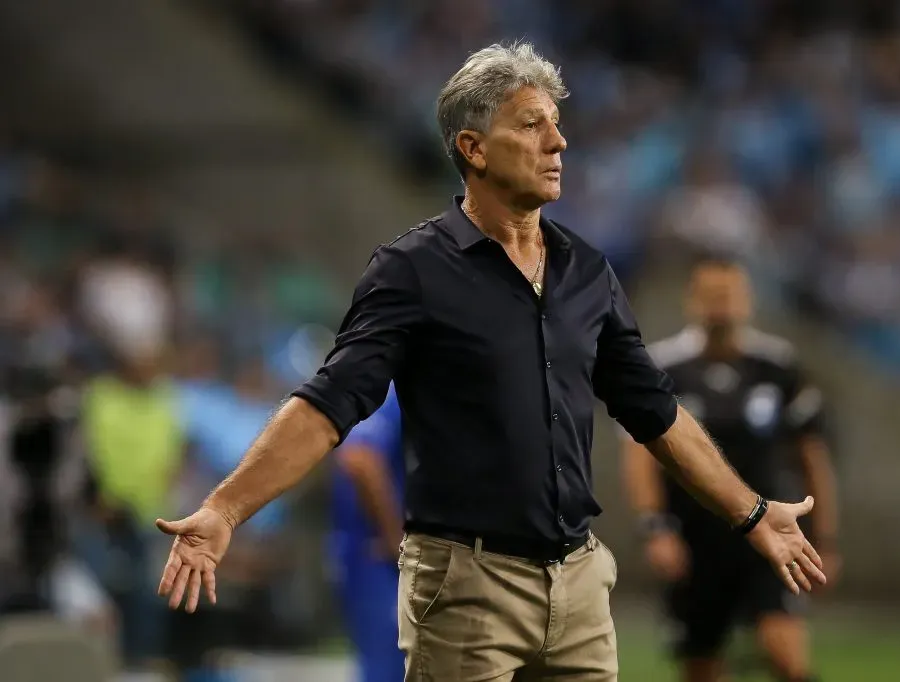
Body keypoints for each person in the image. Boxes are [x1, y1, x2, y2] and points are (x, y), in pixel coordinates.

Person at [155, 42, 826, 682]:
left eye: (556, 124)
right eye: (532, 125)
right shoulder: (412, 271)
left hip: (580, 580)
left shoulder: (587, 273)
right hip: (466, 584)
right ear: (473, 148)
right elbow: (329, 405)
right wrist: (225, 510)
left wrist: (750, 511)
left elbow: (655, 412)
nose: (557, 143)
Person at [621, 256, 839, 682]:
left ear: (748, 300)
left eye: (729, 294)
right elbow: (639, 454)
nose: (720, 305)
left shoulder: (777, 367)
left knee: (785, 653)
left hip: (768, 533)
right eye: (711, 295)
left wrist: (825, 536)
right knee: (701, 665)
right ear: (691, 300)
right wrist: (655, 528)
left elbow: (812, 456)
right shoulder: (664, 367)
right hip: (695, 537)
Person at [329, 382, 405, 682]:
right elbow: (360, 458)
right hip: (379, 555)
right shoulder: (394, 386)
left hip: (383, 554)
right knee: (388, 666)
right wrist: (396, 540)